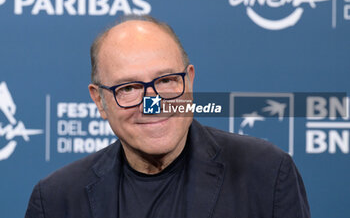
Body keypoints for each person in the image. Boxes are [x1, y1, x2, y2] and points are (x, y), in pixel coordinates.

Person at [25, 15, 310, 218]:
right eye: (130, 87)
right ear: (100, 100)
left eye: (166, 81)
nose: (153, 103)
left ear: (189, 81)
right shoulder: (55, 200)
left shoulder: (265, 172)